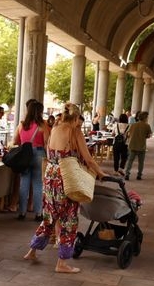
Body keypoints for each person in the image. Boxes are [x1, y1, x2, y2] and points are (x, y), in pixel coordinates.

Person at [23, 103, 106, 273]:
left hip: (50, 175)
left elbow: (49, 152)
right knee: (69, 220)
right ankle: (62, 263)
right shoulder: (74, 132)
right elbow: (89, 159)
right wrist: (101, 173)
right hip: (66, 179)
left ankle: (32, 251)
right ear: (76, 118)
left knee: (49, 216)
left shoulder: (55, 128)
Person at [12, 99, 49, 221]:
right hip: (39, 154)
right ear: (40, 112)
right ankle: (38, 213)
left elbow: (15, 141)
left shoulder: (21, 125)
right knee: (38, 184)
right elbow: (47, 143)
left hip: (24, 156)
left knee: (24, 183)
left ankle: (22, 213)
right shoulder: (43, 125)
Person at [124, 111, 152, 180]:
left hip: (132, 145)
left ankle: (127, 174)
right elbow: (149, 135)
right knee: (141, 162)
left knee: (130, 161)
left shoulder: (133, 125)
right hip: (141, 146)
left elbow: (127, 134)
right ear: (145, 118)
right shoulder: (147, 126)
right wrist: (144, 136)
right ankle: (139, 175)